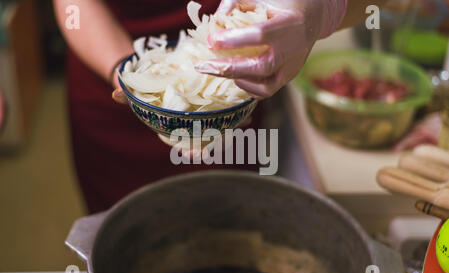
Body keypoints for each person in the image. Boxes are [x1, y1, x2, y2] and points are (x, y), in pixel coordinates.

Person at [53, 0, 386, 214]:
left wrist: (320, 11)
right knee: (122, 232)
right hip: (110, 83)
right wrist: (123, 71)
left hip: (234, 81)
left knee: (224, 224)